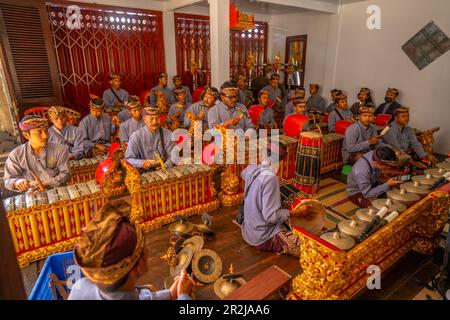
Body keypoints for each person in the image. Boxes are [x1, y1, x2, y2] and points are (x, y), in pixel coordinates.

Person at [68, 200, 195, 300]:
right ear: (138, 265)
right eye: (144, 247)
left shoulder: (80, 288)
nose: (147, 251)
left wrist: (169, 294)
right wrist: (184, 296)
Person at [240, 143, 313, 257]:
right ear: (279, 161)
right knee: (308, 248)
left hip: (247, 232)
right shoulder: (271, 179)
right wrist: (296, 213)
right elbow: (270, 216)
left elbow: (243, 174)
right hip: (261, 237)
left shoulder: (251, 168)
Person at [4, 116, 70, 193]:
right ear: (26, 135)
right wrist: (17, 182)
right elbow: (8, 180)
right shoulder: (16, 155)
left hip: (59, 192)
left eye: (46, 131)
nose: (45, 136)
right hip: (33, 194)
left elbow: (66, 174)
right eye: (39, 132)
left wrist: (46, 184)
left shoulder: (60, 149)